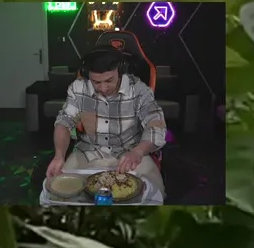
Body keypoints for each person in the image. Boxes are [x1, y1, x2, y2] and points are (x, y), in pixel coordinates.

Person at [45, 47, 167, 198]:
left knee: (154, 194)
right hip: (88, 151)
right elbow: (64, 122)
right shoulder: (78, 88)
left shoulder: (139, 90)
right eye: (96, 82)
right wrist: (59, 156)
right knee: (61, 193)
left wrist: (138, 151)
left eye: (109, 80)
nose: (103, 88)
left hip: (131, 152)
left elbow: (156, 125)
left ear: (120, 71)